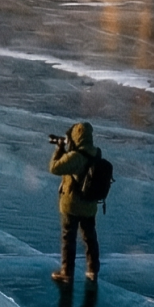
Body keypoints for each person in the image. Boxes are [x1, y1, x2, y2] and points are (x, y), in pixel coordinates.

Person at [47, 121, 102, 284]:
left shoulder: (76, 157)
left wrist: (59, 149)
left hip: (72, 205)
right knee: (90, 237)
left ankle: (67, 272)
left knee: (68, 239)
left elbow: (54, 168)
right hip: (90, 205)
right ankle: (93, 270)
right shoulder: (96, 153)